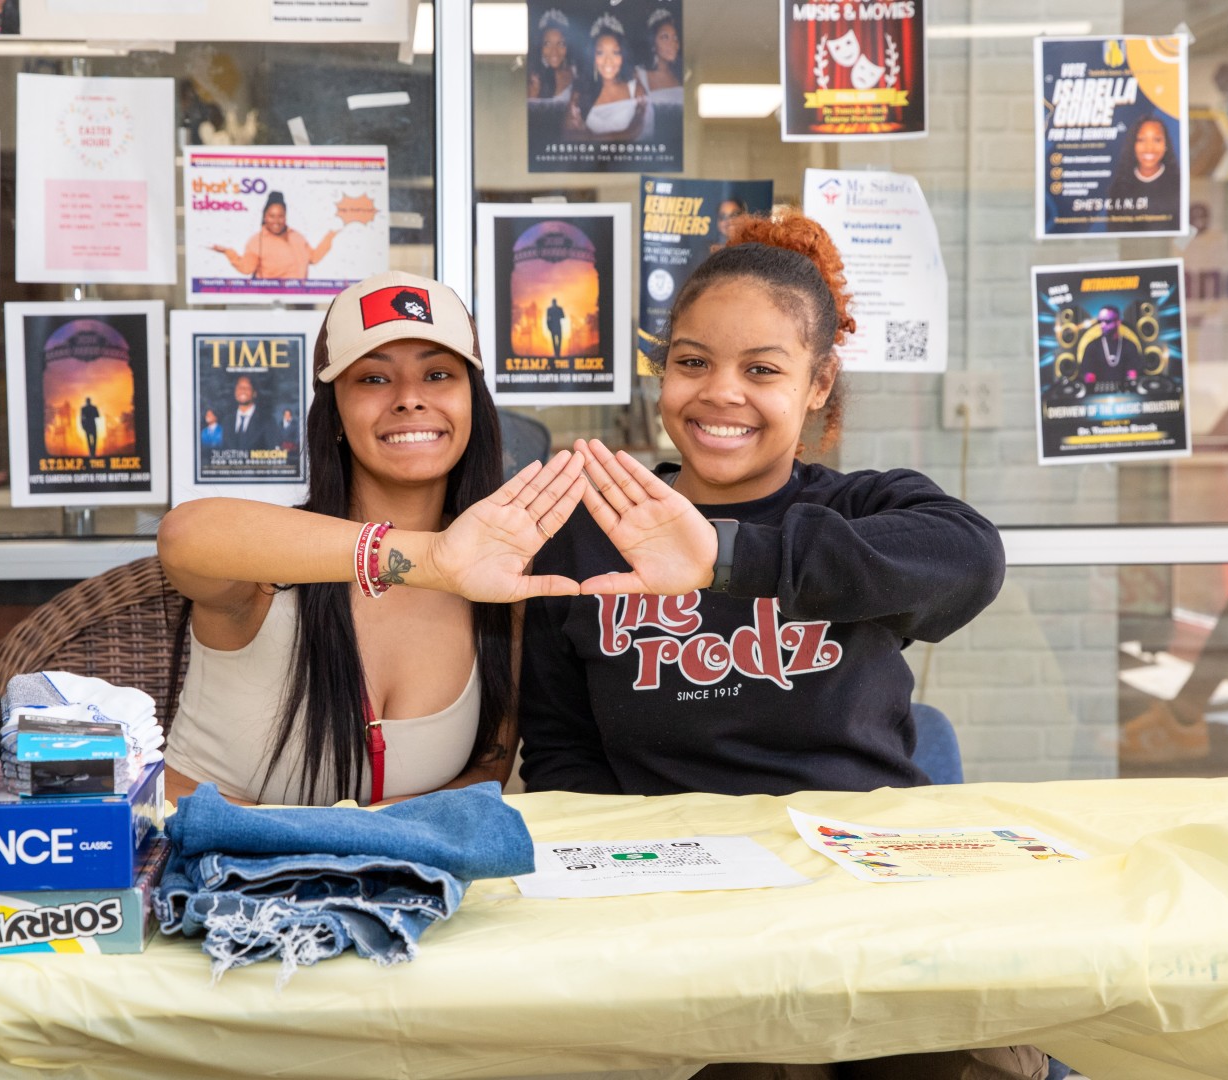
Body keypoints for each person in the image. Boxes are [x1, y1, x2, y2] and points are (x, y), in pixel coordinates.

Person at [516, 211, 1034, 1078]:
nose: (721, 392)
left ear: (819, 382)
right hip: (679, 901)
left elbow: (971, 559)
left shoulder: (865, 511)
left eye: (762, 369)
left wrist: (725, 557)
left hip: (867, 896)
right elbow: (564, 752)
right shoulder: (585, 532)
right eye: (692, 363)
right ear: (663, 372)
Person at [155, 271, 591, 807]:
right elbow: (183, 535)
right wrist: (429, 558)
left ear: (472, 405)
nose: (409, 398)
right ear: (334, 413)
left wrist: (362, 842)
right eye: (374, 379)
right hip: (202, 876)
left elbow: (485, 773)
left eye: (437, 374)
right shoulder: (270, 561)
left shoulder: (498, 579)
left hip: (393, 883)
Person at [211, 191, 340, 282]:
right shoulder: (257, 241)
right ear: (265, 217)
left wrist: (331, 234)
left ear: (285, 216)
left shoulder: (297, 237)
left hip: (300, 300)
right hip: (271, 301)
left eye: (280, 216)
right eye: (272, 216)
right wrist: (228, 252)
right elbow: (246, 268)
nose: (276, 221)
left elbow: (314, 257)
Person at [565, 15, 646, 141]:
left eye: (615, 52)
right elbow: (568, 135)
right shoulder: (580, 92)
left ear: (623, 56)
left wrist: (590, 138)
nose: (608, 61)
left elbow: (640, 130)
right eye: (601, 53)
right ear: (592, 57)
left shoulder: (635, 89)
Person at [1105, 114, 1181, 227]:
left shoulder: (1179, 183)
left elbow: (1190, 230)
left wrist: (1180, 245)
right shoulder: (1119, 187)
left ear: (1166, 144)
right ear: (1133, 145)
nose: (1149, 148)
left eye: (1157, 140)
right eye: (1141, 140)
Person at [526, 8, 577, 104]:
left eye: (561, 44)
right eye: (548, 44)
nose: (554, 52)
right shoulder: (534, 79)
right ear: (540, 46)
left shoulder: (573, 72)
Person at [636, 9, 684, 108]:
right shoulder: (640, 75)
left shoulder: (681, 73)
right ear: (653, 44)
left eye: (675, 38)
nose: (672, 44)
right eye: (664, 37)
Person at [222, 375, 277, 452]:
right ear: (235, 392)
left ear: (254, 393)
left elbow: (273, 453)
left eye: (247, 388)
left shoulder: (267, 421)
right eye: (240, 387)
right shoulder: (227, 421)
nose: (243, 390)